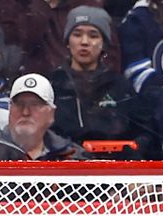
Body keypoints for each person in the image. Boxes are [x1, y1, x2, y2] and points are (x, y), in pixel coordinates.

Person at [51, 6, 155, 160]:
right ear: (67, 41)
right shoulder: (53, 84)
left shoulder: (120, 86)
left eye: (93, 35)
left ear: (104, 43)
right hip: (65, 172)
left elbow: (145, 133)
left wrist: (131, 156)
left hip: (116, 173)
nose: (84, 42)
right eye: (77, 34)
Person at [0, 73, 86, 161]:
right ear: (10, 108)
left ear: (51, 113)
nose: (26, 112)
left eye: (35, 105)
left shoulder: (72, 155)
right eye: (19, 104)